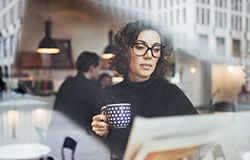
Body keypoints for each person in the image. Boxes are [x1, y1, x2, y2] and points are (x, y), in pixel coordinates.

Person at [91, 21, 198, 159]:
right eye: (141, 47)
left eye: (156, 49)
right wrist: (101, 133)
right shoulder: (107, 96)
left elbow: (198, 135)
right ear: (125, 51)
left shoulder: (171, 93)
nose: (149, 55)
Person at [54, 51, 101, 131]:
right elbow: (97, 113)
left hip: (57, 133)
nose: (100, 72)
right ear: (92, 68)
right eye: (99, 68)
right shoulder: (90, 86)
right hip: (76, 136)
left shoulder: (67, 83)